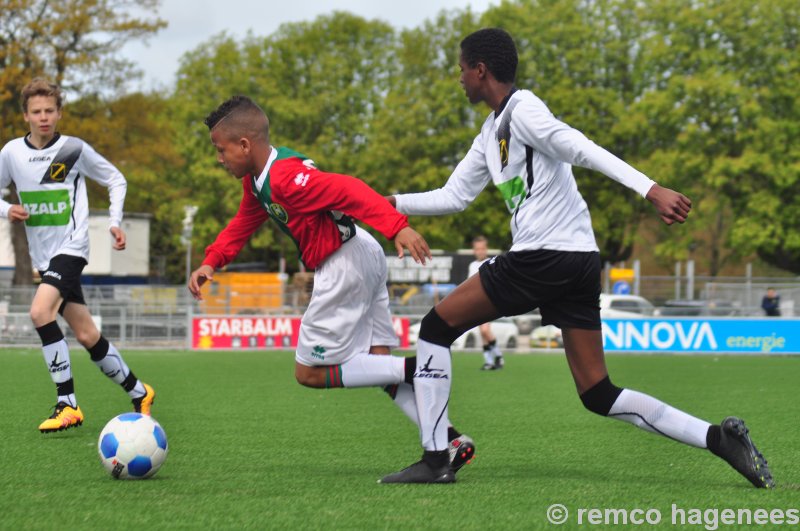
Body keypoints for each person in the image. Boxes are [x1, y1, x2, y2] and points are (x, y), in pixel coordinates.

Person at [382, 28, 773, 488]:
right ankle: (719, 439)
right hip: (578, 261)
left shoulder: (524, 109)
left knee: (434, 328)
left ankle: (435, 458)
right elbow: (453, 196)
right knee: (597, 392)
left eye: (461, 70)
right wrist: (381, 203)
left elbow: (580, 147)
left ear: (480, 70)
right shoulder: (490, 132)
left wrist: (651, 189)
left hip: (543, 257)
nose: (459, 79)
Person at [187, 95, 475, 483]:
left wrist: (397, 225)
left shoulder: (285, 178)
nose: (219, 159)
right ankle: (447, 444)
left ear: (244, 145)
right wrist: (213, 259)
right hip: (361, 252)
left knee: (308, 371)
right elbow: (245, 220)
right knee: (376, 362)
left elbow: (349, 189)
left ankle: (420, 369)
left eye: (220, 151)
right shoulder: (260, 180)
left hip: (343, 264)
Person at [0, 78, 155, 433]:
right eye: (36, 112)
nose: (43, 118)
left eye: (49, 111)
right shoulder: (11, 153)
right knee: (87, 335)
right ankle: (140, 390)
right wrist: (7, 210)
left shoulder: (73, 149)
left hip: (72, 248)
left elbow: (116, 179)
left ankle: (67, 403)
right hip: (44, 257)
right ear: (25, 115)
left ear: (59, 113)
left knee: (40, 312)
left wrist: (115, 222)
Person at [468, 235, 504, 370]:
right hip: (476, 303)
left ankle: (499, 356)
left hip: (488, 300)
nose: (480, 251)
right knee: (482, 332)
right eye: (477, 249)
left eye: (482, 248)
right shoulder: (472, 265)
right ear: (474, 250)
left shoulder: (491, 262)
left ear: (486, 249)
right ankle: (489, 361)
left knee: (485, 329)